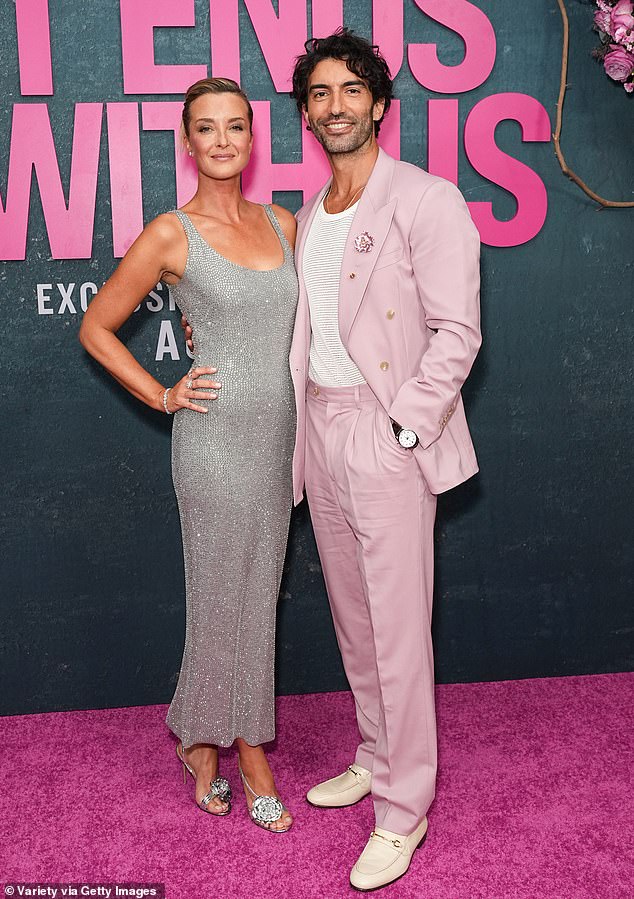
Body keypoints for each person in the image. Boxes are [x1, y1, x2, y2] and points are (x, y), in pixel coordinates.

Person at [288, 30, 482, 890]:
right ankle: (375, 754)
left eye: (350, 91)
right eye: (320, 94)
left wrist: (403, 428)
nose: (336, 107)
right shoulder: (306, 212)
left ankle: (404, 811)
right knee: (354, 621)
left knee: (400, 631)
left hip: (385, 431)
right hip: (320, 429)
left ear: (380, 104)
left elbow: (457, 333)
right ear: (305, 113)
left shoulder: (426, 198)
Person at [79, 77, 298, 832]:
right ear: (187, 140)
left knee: (257, 594)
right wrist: (163, 393)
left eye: (236, 126)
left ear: (251, 136)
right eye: (207, 128)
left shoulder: (284, 222)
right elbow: (97, 327)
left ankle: (199, 734)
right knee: (218, 599)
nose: (224, 140)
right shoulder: (173, 232)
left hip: (277, 443)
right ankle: (243, 746)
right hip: (212, 443)